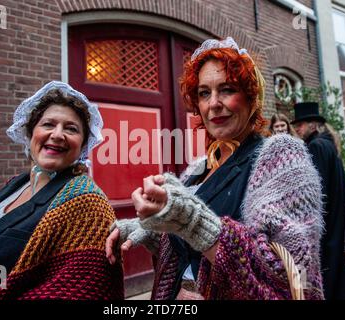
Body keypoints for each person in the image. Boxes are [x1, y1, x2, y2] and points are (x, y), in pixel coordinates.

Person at [106, 38, 324, 300]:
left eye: (227, 89)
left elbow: (288, 273)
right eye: (204, 93)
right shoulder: (197, 169)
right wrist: (151, 231)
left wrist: (189, 219)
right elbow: (189, 248)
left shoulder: (281, 156)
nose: (214, 104)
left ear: (251, 97)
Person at [0, 81, 124, 300]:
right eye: (48, 124)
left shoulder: (88, 204)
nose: (58, 134)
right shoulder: (16, 185)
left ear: (83, 145)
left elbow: (86, 290)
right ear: (31, 133)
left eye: (71, 128)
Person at [292, 102, 345, 299]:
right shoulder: (327, 145)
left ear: (313, 124)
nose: (297, 128)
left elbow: (317, 193)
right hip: (336, 223)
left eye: (302, 123)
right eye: (297, 124)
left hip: (326, 227)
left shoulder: (316, 146)